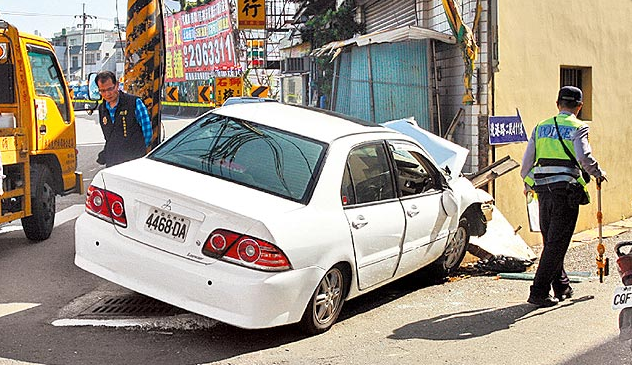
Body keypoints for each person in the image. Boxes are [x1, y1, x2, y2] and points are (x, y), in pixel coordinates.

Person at [521, 86, 607, 307]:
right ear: (579, 107)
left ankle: (561, 286)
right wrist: (597, 173)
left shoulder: (540, 127)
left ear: (557, 104)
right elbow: (583, 156)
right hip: (565, 192)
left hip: (542, 191)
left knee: (551, 241)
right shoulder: (579, 127)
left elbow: (525, 166)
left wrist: (530, 183)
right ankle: (538, 292)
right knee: (557, 244)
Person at [95, 70, 153, 167]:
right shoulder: (102, 109)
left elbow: (147, 133)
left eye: (110, 89)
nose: (107, 94)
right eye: (103, 91)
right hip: (113, 162)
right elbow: (109, 137)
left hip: (134, 162)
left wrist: (138, 151)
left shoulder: (134, 103)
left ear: (117, 85)